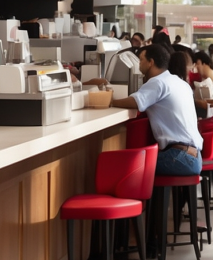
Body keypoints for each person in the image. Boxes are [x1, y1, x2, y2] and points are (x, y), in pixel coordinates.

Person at [86, 44, 202, 176]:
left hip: (179, 157)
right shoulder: (178, 82)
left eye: (141, 60)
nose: (139, 64)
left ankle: (131, 197)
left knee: (122, 164)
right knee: (127, 163)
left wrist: (109, 101)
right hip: (193, 156)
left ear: (151, 62)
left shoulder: (157, 82)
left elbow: (135, 102)